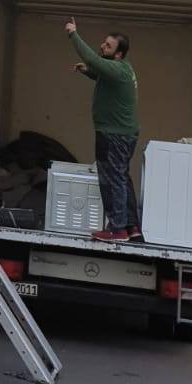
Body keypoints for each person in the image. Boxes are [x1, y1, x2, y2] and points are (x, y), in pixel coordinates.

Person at [64, 17, 141, 243]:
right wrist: (88, 71)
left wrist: (73, 34)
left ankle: (117, 230)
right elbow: (98, 71)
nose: (102, 46)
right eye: (104, 43)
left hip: (114, 135)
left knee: (111, 179)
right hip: (123, 133)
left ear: (118, 54)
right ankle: (130, 225)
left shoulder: (117, 69)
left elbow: (91, 58)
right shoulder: (122, 69)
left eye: (108, 46)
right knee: (122, 177)